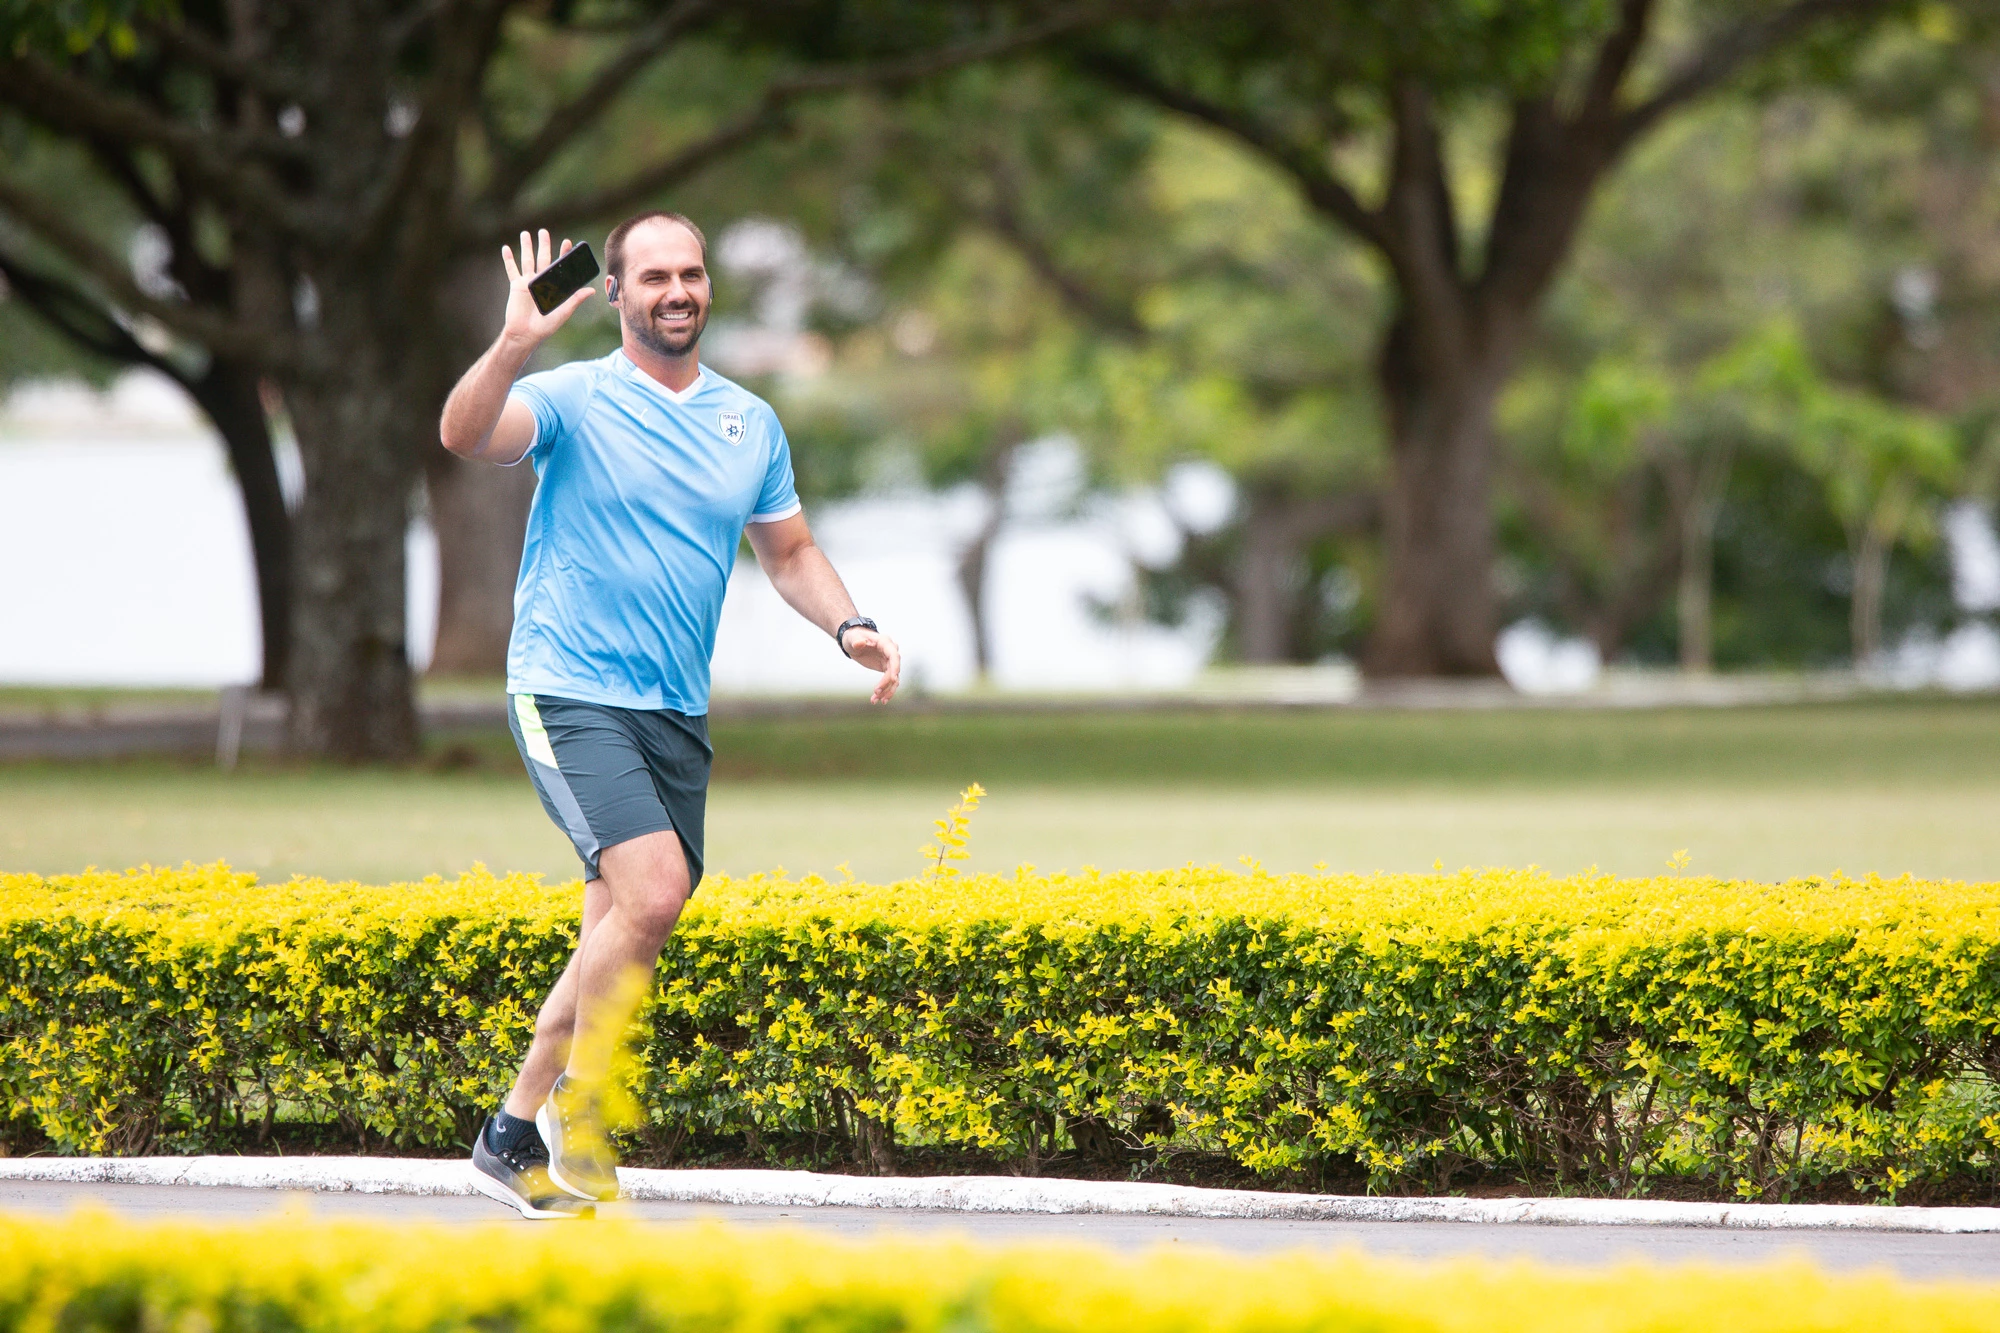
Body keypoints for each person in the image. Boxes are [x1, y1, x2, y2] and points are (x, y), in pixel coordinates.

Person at [439, 212, 901, 1219]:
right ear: (615, 293)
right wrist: (514, 342)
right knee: (654, 889)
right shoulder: (571, 398)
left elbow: (787, 553)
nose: (676, 290)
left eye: (690, 273)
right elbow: (465, 435)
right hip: (567, 686)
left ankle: (510, 1131)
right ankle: (578, 1097)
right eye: (653, 276)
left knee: (623, 917)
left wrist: (848, 625)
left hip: (672, 709)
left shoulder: (749, 422)